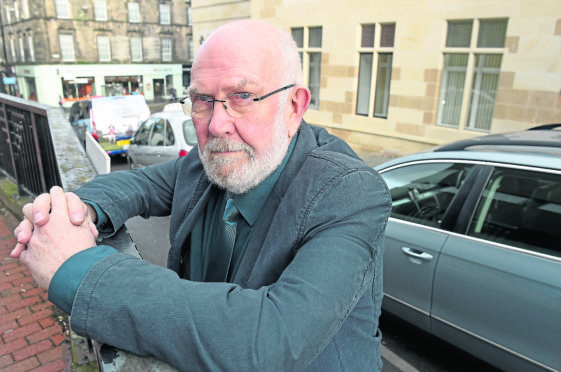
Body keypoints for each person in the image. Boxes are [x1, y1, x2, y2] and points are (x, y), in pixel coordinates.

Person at [11, 20, 391, 372]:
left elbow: (273, 339)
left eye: (242, 96)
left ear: (295, 106)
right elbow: (139, 184)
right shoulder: (208, 161)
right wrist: (73, 212)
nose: (216, 124)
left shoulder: (349, 192)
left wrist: (79, 269)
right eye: (202, 100)